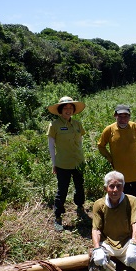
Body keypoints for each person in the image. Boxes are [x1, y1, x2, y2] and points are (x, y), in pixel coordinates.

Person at [97, 104, 136, 234]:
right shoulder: (109, 130)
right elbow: (101, 146)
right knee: (123, 201)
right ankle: (128, 226)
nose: (123, 119)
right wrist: (111, 159)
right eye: (120, 116)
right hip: (120, 177)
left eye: (125, 116)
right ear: (115, 116)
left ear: (129, 117)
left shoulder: (134, 127)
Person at [88, 171, 136, 271]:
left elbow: (135, 222)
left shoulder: (131, 200)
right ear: (105, 188)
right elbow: (96, 229)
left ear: (123, 187)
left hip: (126, 242)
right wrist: (97, 248)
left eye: (118, 186)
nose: (115, 190)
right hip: (107, 244)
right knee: (98, 266)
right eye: (112, 186)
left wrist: (134, 243)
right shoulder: (99, 205)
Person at [47, 96, 86, 232]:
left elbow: (80, 142)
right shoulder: (54, 125)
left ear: (73, 110)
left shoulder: (77, 124)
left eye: (70, 108)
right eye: (65, 108)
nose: (68, 110)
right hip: (63, 163)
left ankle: (80, 207)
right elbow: (51, 145)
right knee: (62, 190)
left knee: (79, 186)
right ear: (60, 110)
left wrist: (82, 158)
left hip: (78, 162)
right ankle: (58, 217)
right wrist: (54, 163)